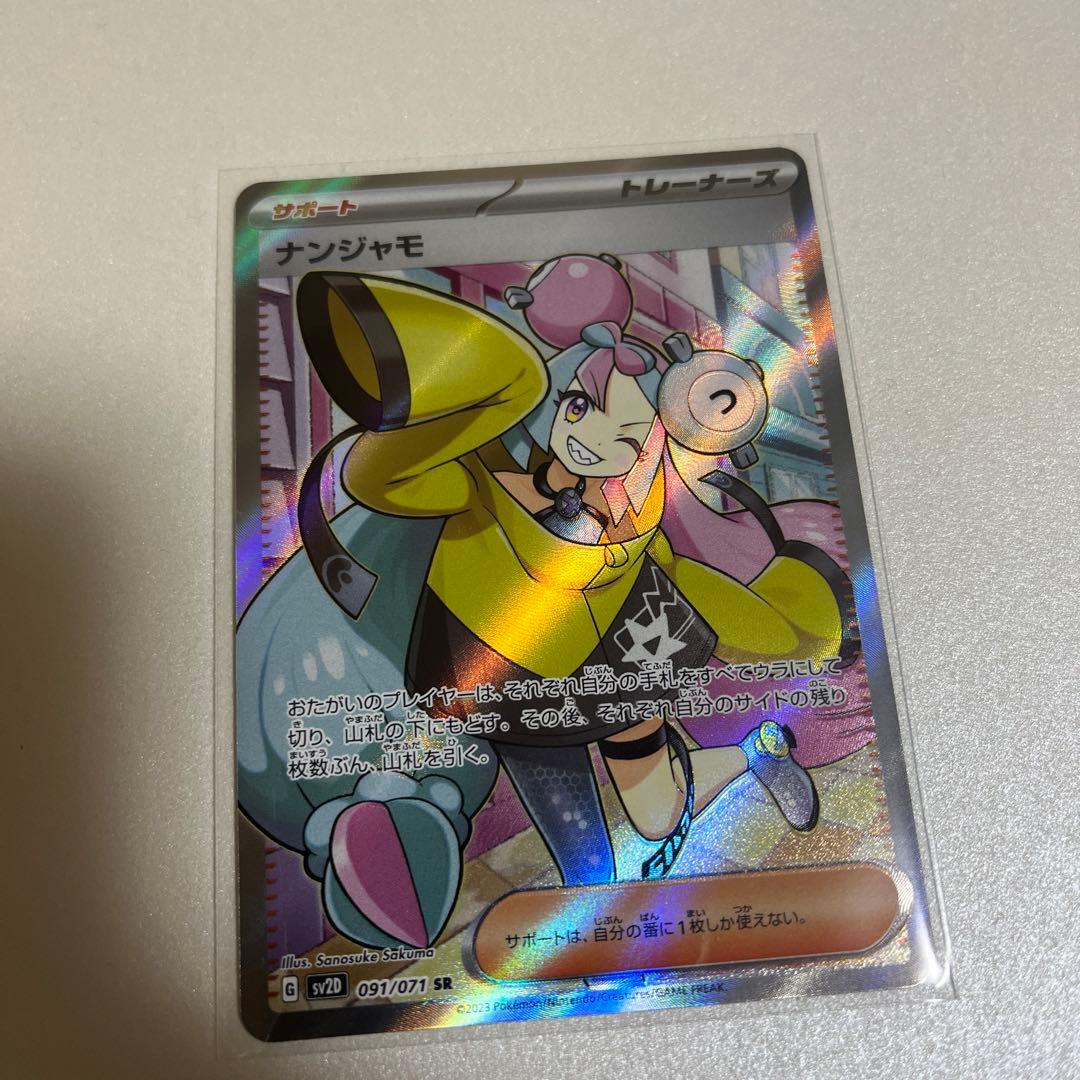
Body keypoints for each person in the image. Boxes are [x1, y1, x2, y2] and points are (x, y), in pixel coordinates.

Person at [236, 261, 843, 949]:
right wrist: (488, 390)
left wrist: (777, 622)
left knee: (655, 815)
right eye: (579, 408)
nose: (587, 438)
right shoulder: (486, 480)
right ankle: (596, 926)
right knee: (581, 849)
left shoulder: (638, 523)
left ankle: (755, 752)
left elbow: (686, 583)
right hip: (510, 676)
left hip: (616, 666)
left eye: (624, 438)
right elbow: (377, 478)